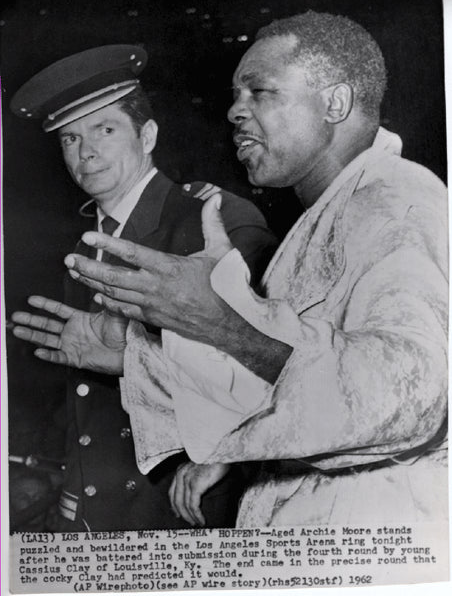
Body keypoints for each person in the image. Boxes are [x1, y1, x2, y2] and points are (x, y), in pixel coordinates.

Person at [17, 11, 448, 527]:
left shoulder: (395, 203)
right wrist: (136, 358)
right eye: (235, 95)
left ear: (335, 102)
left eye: (259, 91)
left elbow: (412, 396)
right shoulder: (328, 216)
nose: (234, 112)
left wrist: (221, 324)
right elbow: (279, 383)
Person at [10, 44, 278, 531]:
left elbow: (269, 374)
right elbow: (84, 396)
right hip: (96, 511)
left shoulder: (213, 224)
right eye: (69, 139)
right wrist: (76, 488)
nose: (85, 152)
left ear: (147, 134)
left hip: (179, 511)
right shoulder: (86, 241)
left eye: (105, 130)